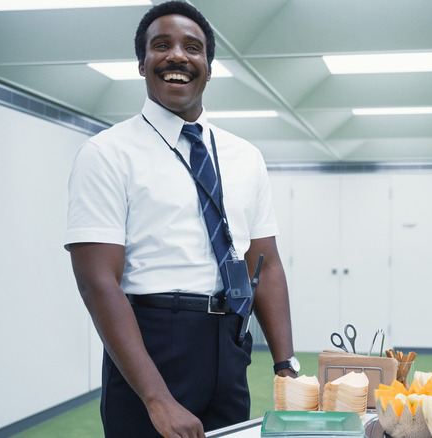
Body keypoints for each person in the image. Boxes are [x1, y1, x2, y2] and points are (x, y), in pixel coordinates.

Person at [64, 2, 298, 437]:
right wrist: (156, 397)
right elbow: (97, 281)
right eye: (161, 45)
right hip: (152, 344)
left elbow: (266, 264)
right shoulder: (106, 154)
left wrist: (285, 365)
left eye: (193, 47)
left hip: (229, 342)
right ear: (142, 63)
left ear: (208, 67)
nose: (177, 56)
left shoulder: (246, 157)